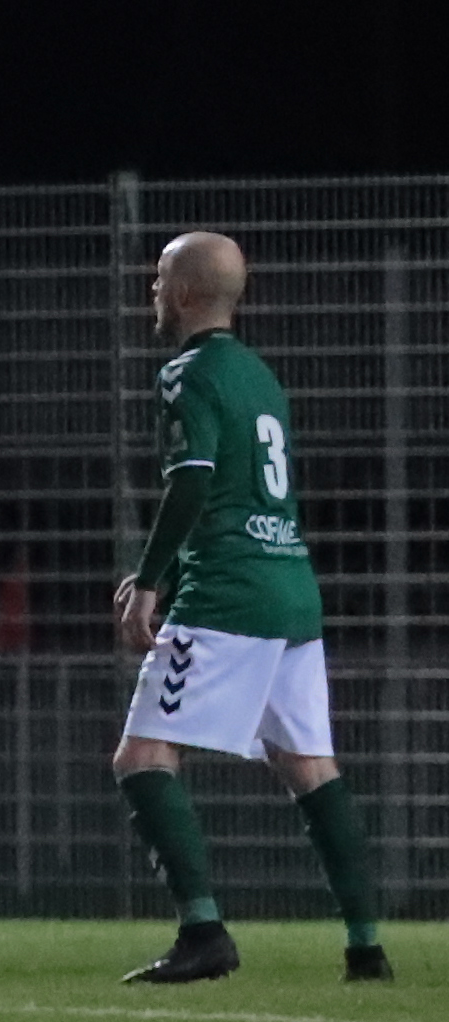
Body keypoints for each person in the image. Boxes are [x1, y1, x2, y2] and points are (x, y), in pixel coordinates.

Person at [112, 232, 391, 984]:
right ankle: (366, 949)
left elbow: (194, 479)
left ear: (184, 293)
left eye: (159, 277)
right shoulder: (260, 376)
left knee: (142, 758)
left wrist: (151, 579)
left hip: (228, 594)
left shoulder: (186, 373)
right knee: (310, 766)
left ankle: (203, 933)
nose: (152, 290)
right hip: (291, 587)